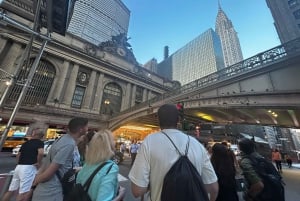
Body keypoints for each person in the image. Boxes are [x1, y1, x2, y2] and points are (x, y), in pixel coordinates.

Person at [129, 104, 218, 201]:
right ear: (178, 120)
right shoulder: (197, 145)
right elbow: (213, 188)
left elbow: (137, 191)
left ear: (158, 120)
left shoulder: (149, 142)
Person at [31, 117, 88, 201]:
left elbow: (46, 164)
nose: (88, 129)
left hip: (44, 190)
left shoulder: (61, 139)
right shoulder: (69, 144)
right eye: (86, 126)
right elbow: (50, 171)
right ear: (80, 129)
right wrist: (38, 180)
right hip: (51, 192)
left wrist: (34, 185)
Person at [76, 129, 120, 201]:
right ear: (110, 146)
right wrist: (121, 195)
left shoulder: (88, 163)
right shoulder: (111, 168)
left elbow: (78, 184)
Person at [2, 129, 44, 201]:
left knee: (11, 190)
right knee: (23, 193)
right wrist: (38, 162)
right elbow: (41, 153)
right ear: (41, 136)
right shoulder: (39, 143)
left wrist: (19, 163)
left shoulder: (26, 143)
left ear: (33, 134)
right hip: (29, 167)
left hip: (19, 167)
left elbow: (18, 155)